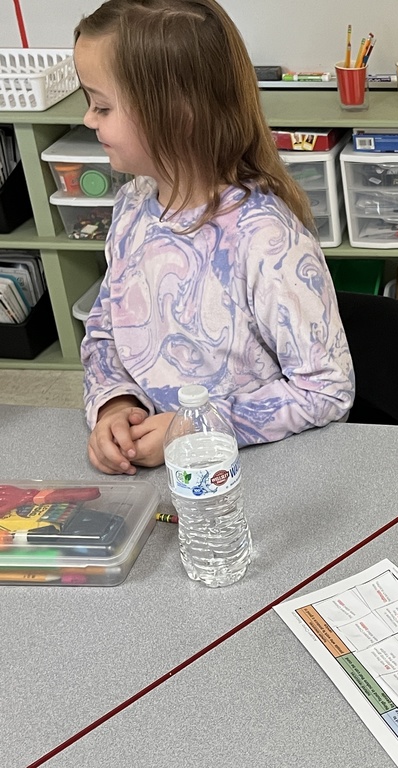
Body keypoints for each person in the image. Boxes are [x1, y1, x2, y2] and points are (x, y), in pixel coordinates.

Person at [74, 0, 355, 475]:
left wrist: (193, 427)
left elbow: (326, 391)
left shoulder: (264, 238)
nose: (88, 119)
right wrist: (114, 403)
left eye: (102, 105)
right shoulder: (131, 208)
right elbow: (105, 329)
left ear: (176, 113)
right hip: (161, 476)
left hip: (255, 474)